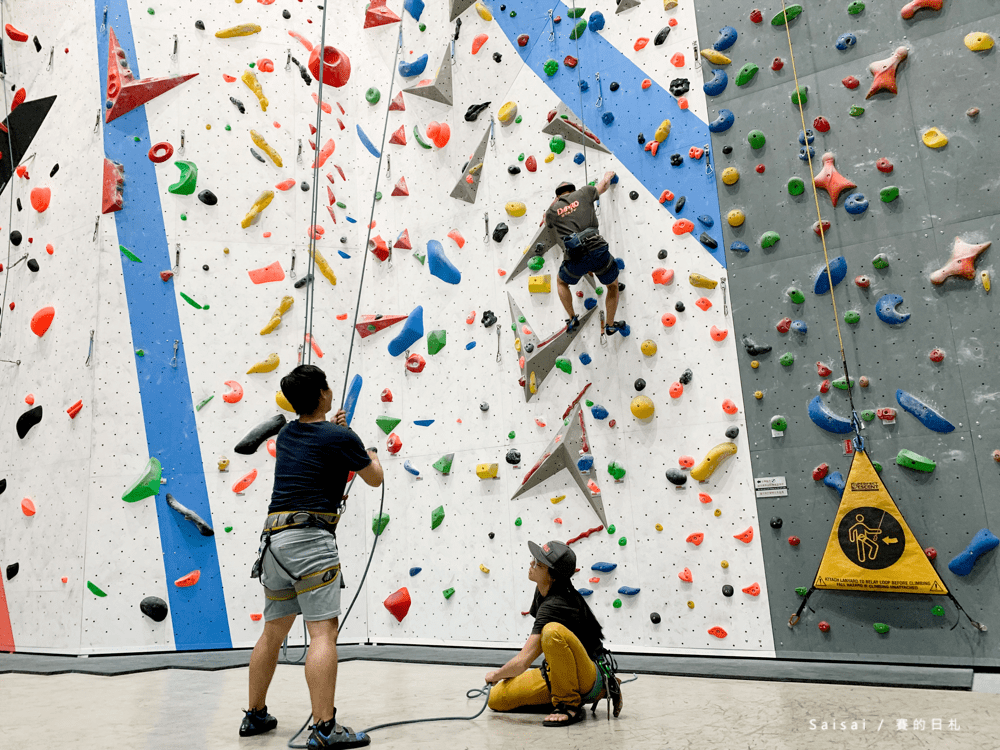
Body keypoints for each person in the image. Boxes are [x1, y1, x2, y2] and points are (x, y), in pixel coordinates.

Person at [241, 364, 383, 749]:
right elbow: (374, 477)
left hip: (274, 542)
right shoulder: (340, 436)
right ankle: (324, 728)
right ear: (322, 394)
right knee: (323, 633)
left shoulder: (287, 434)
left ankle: (254, 715)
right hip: (310, 542)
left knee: (273, 632)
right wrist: (363, 446)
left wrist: (340, 431)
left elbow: (318, 442)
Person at [485, 540, 623, 726]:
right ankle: (559, 694)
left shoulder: (557, 604)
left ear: (553, 576)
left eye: (539, 564)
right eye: (534, 560)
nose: (531, 565)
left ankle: (569, 704)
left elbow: (524, 661)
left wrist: (497, 675)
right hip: (559, 671)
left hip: (589, 674)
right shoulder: (543, 589)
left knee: (551, 632)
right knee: (496, 699)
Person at [544, 172, 626, 337]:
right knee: (612, 286)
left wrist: (556, 201)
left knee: (561, 283)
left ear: (558, 195)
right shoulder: (584, 192)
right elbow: (602, 187)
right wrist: (606, 177)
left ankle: (572, 317)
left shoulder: (553, 210)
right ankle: (609, 325)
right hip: (597, 250)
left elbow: (546, 220)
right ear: (572, 190)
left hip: (575, 257)